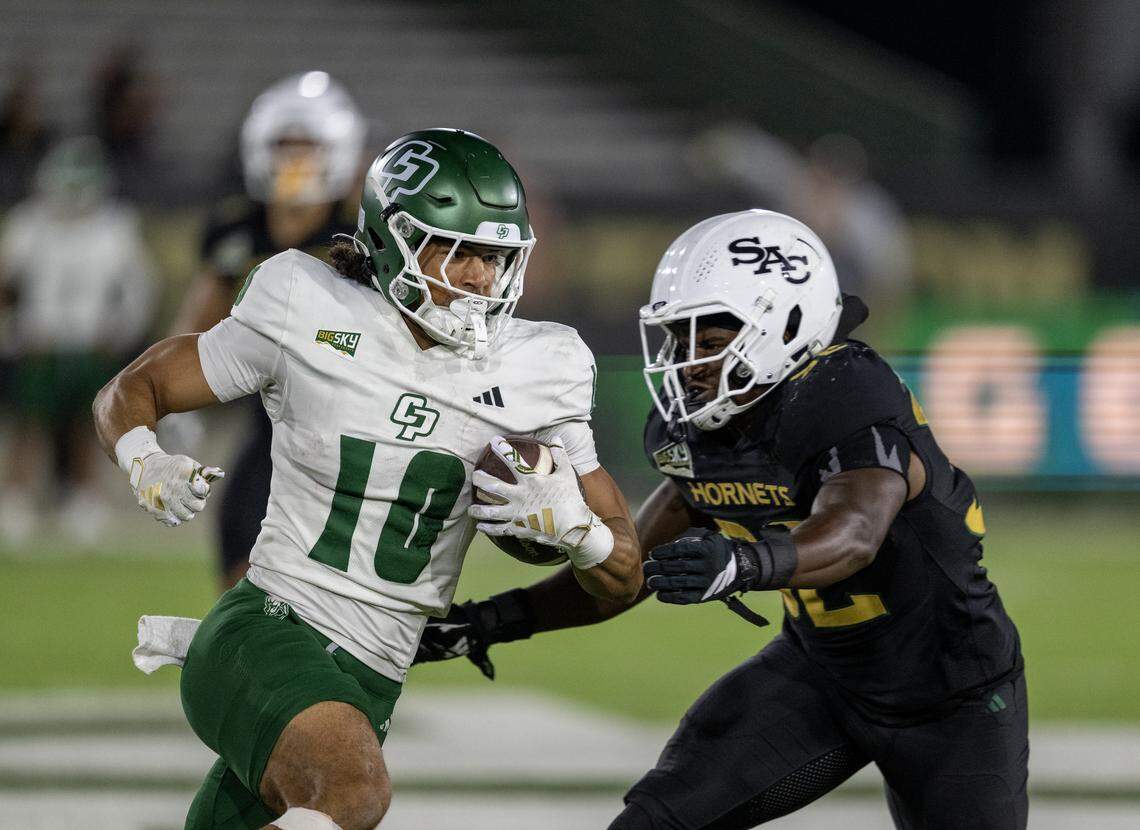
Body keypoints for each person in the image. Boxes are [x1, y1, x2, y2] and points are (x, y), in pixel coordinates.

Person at [93, 128, 642, 830]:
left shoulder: (546, 366)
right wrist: (146, 458)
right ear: (392, 239)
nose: (480, 277)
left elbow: (625, 576)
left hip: (372, 679)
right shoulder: (305, 302)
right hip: (265, 633)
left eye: (497, 255)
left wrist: (581, 534)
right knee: (352, 795)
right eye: (459, 250)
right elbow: (131, 388)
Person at [414, 209, 1028, 829]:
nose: (689, 362)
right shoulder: (702, 431)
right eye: (679, 340)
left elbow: (855, 533)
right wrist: (492, 621)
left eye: (710, 340)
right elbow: (629, 570)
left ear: (786, 326)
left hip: (956, 693)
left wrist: (743, 563)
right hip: (822, 675)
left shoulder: (844, 389)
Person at [171, 70, 365, 589]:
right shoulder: (238, 226)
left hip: (354, 413)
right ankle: (251, 654)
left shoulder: (365, 228)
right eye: (285, 146)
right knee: (240, 546)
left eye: (308, 147)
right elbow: (201, 315)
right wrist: (174, 396)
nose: (295, 161)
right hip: (273, 413)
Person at [0, 135, 156, 544]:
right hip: (42, 342)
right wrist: (14, 331)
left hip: (91, 343)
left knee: (89, 425)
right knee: (29, 423)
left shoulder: (116, 224)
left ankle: (85, 498)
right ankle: (16, 498)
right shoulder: (28, 222)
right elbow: (7, 284)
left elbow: (139, 287)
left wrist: (120, 332)